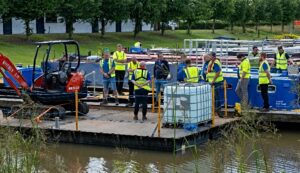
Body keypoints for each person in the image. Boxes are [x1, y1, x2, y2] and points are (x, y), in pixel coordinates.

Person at [206, 52, 224, 117]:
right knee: (214, 96)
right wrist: (207, 73)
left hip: (216, 82)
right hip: (212, 82)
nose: (209, 57)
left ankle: (218, 111)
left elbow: (218, 72)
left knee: (217, 97)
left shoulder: (216, 62)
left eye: (209, 56)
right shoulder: (211, 62)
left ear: (213, 56)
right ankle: (215, 110)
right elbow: (211, 71)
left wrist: (213, 81)